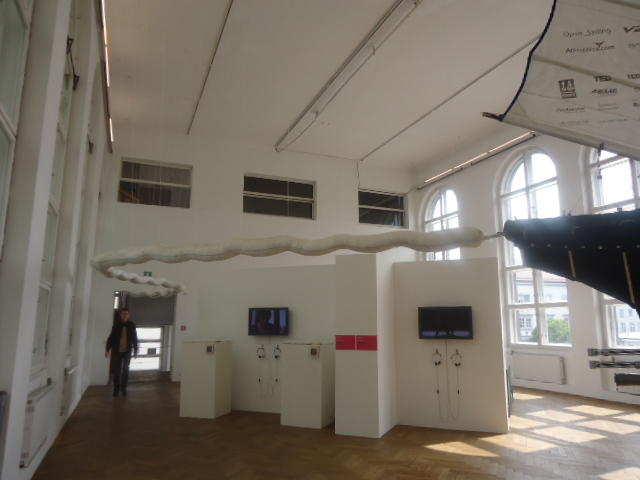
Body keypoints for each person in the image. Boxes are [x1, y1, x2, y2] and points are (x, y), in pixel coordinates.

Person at [105, 308, 138, 397]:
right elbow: (111, 338)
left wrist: (136, 350)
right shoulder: (116, 325)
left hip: (127, 351)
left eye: (126, 314)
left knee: (126, 369)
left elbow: (135, 338)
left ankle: (123, 389)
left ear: (129, 315)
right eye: (123, 314)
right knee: (117, 370)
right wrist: (107, 349)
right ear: (120, 315)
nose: (124, 316)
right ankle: (116, 389)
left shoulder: (132, 325)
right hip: (117, 351)